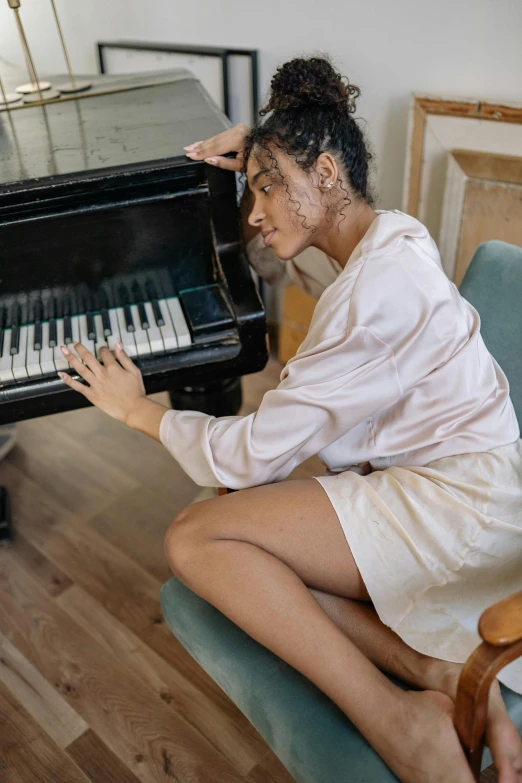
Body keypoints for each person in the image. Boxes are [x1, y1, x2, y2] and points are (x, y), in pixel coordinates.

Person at [57, 56, 522, 783]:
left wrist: (139, 412)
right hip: (469, 484)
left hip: (461, 512)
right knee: (241, 526)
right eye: (252, 190)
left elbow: (249, 454)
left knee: (197, 536)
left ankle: (397, 718)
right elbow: (340, 315)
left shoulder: (377, 292)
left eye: (267, 187)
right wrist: (269, 155)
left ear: (328, 172)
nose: (252, 211)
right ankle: (428, 668)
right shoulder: (394, 237)